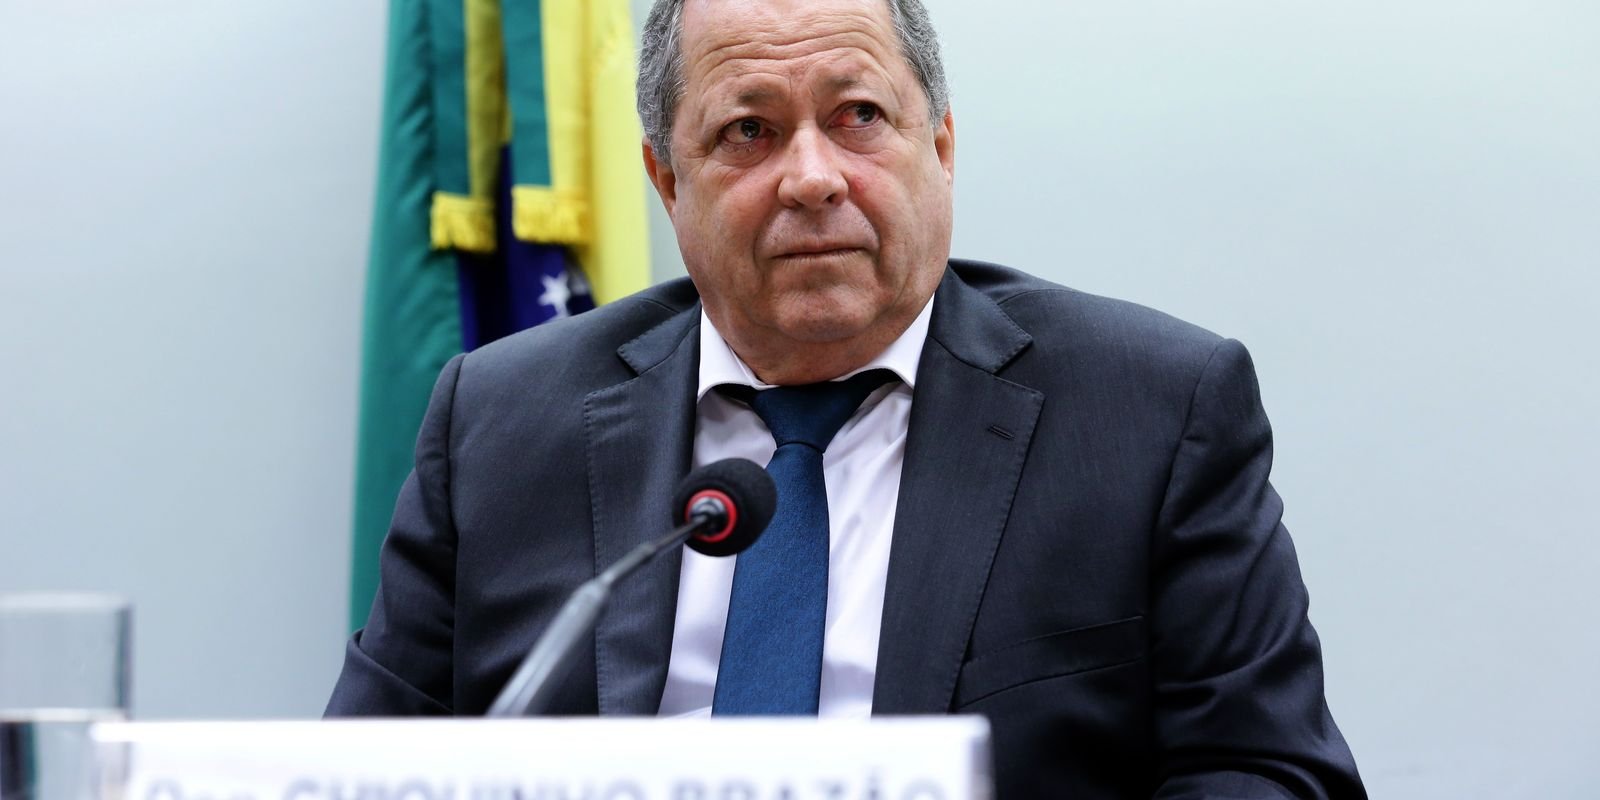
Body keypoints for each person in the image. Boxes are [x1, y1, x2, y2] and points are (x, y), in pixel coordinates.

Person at [328, 0, 1366, 796]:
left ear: (941, 146)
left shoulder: (1150, 411)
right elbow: (359, 770)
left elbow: (1268, 773)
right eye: (748, 130)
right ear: (666, 180)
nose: (811, 177)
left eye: (858, 116)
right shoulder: (501, 422)